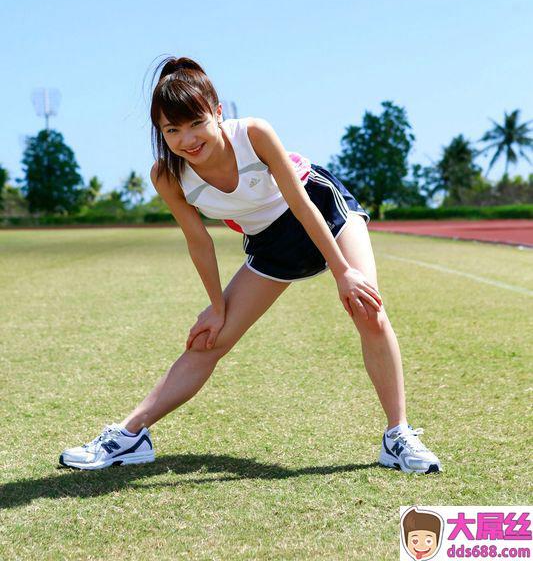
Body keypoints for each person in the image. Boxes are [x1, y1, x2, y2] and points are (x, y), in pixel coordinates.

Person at [59, 57, 441, 474]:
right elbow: (198, 240)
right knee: (210, 338)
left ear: (218, 113)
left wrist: (342, 272)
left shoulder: (254, 134)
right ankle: (130, 436)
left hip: (324, 212)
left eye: (195, 123)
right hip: (271, 244)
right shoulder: (168, 175)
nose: (186, 139)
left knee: (368, 309)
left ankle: (397, 435)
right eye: (172, 129)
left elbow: (301, 202)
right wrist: (216, 307)